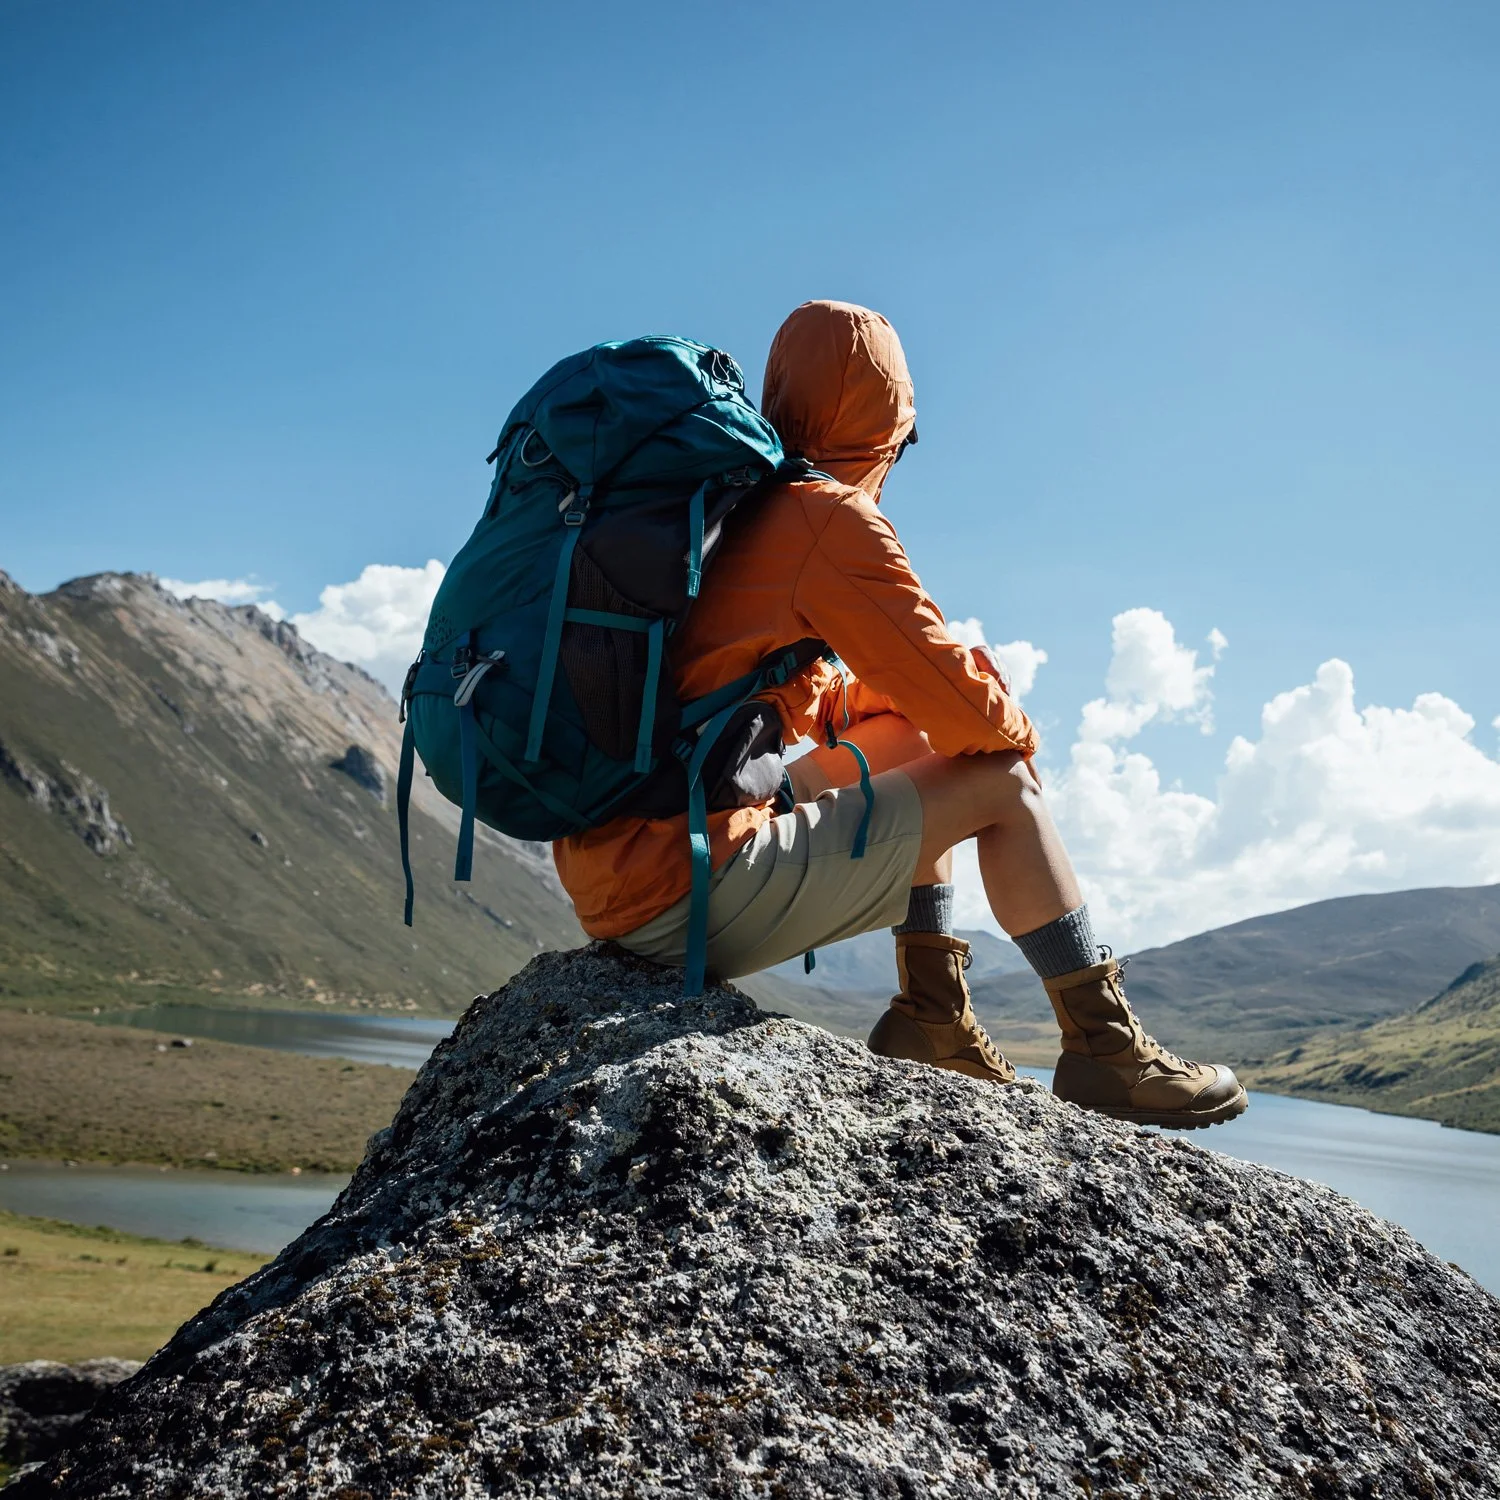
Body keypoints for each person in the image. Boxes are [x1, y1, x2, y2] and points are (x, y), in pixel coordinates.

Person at [553, 300, 1245, 1129]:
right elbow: (971, 723)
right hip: (681, 889)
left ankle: (933, 1018)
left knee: (920, 737)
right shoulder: (827, 519)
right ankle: (1105, 1051)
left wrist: (914, 701)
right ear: (885, 430)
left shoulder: (726, 503)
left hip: (621, 862)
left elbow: (772, 698)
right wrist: (1014, 731)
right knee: (1002, 782)